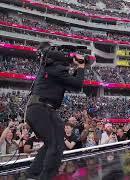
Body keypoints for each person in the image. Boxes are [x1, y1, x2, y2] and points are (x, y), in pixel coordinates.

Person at [25, 42, 85, 180]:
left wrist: (75, 67)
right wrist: (80, 66)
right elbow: (77, 85)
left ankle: (33, 175)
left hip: (44, 109)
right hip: (42, 109)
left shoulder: (51, 67)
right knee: (56, 145)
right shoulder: (55, 67)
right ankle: (43, 176)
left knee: (53, 143)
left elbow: (70, 84)